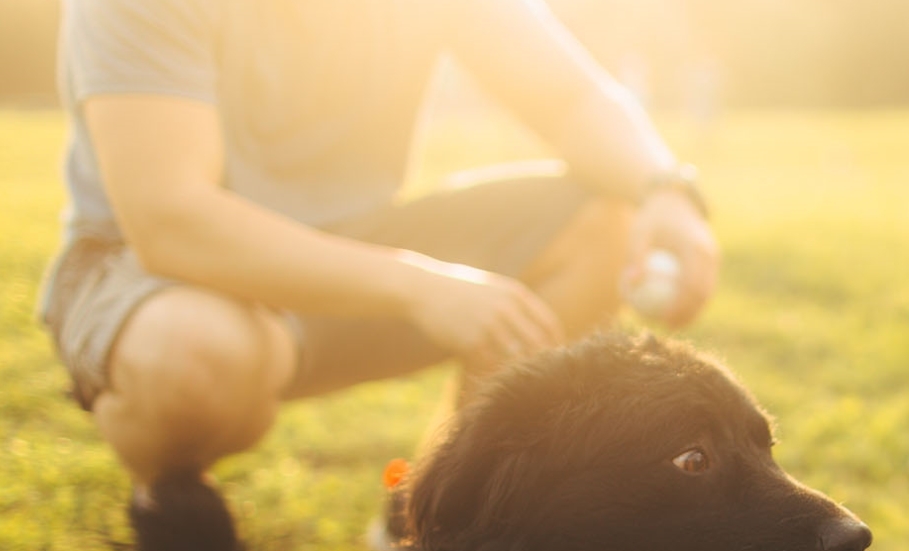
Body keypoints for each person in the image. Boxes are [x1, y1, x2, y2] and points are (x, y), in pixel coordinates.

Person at [40, 0, 717, 504]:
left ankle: (439, 514)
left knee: (604, 220)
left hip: (357, 245)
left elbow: (572, 95)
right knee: (194, 354)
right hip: (153, 275)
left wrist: (665, 188)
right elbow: (171, 219)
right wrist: (419, 286)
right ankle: (171, 520)